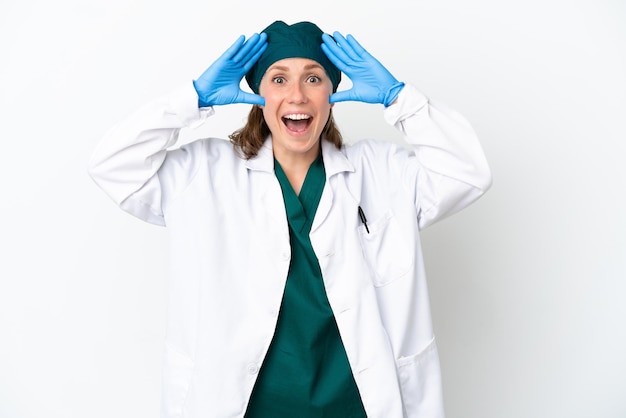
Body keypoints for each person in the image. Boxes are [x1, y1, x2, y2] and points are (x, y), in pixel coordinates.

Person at [89, 20, 491, 418]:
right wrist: (193, 100)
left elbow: (469, 172)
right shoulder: (204, 174)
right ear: (257, 93)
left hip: (355, 406)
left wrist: (399, 100)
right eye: (278, 80)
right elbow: (112, 166)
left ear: (332, 93)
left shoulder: (381, 172)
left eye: (313, 79)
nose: (296, 95)